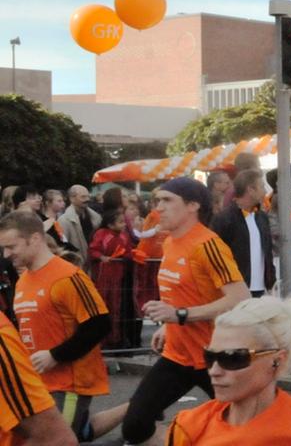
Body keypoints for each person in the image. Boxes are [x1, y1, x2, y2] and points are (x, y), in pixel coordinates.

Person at [92, 177, 249, 445]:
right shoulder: (169, 243)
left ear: (192, 205)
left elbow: (239, 298)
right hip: (177, 355)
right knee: (136, 425)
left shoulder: (207, 245)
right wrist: (169, 324)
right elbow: (183, 294)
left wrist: (181, 316)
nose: (158, 208)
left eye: (167, 200)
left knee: (250, 427)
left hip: (216, 357)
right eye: (156, 201)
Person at [165, 296, 291, 444]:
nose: (214, 370)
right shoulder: (188, 428)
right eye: (210, 357)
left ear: (277, 360)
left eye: (233, 357)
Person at [0, 211, 111, 440]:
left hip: (69, 383)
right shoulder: (23, 282)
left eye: (11, 246)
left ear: (35, 239)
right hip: (39, 383)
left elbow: (100, 324)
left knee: (57, 440)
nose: (6, 254)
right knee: (74, 434)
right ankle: (137, 410)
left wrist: (55, 355)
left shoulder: (69, 277)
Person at [0, 311, 76, 446]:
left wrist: (55, 355)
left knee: (83, 429)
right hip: (48, 384)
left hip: (70, 384)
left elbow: (57, 440)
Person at [211, 170, 276, 298]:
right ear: (251, 190)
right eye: (262, 186)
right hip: (235, 290)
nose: (265, 191)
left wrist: (271, 280)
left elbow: (267, 251)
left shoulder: (262, 217)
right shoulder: (224, 219)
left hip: (261, 289)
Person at [86, 206, 136, 350]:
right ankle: (101, 339)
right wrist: (102, 257)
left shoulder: (124, 235)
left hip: (117, 276)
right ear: (110, 224)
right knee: (102, 305)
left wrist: (131, 256)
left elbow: (128, 252)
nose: (124, 224)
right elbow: (93, 250)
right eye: (120, 222)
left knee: (115, 306)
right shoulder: (102, 233)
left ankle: (114, 338)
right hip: (102, 276)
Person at [58, 186, 99, 256]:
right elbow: (62, 245)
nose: (87, 199)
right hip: (77, 262)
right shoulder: (63, 220)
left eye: (88, 196)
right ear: (72, 199)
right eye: (83, 197)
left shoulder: (96, 217)